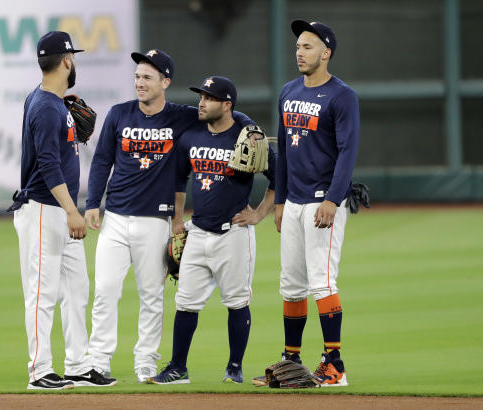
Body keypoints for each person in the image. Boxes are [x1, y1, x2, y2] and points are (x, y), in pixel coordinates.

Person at [85, 50, 256, 383]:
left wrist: (251, 128)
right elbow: (102, 160)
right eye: (136, 76)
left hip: (155, 220)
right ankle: (98, 360)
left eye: (147, 77)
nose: (139, 83)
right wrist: (93, 201)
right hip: (116, 218)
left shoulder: (183, 117)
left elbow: (227, 113)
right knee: (105, 289)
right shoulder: (120, 114)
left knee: (152, 294)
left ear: (165, 82)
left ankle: (146, 361)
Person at [147, 76, 276, 385]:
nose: (201, 102)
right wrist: (178, 221)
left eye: (209, 98)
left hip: (234, 233)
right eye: (201, 96)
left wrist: (259, 214)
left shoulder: (247, 137)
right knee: (185, 303)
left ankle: (234, 366)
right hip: (198, 231)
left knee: (236, 301)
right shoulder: (191, 136)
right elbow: (179, 179)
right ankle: (178, 367)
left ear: (227, 104)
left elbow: (278, 177)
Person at [10, 31, 116, 390]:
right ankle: (39, 371)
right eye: (75, 57)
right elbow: (49, 165)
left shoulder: (53, 103)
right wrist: (73, 210)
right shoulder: (45, 106)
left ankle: (78, 364)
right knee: (42, 293)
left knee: (76, 289)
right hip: (44, 209)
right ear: (67, 60)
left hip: (59, 210)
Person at [273, 20, 359, 387]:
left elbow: (347, 151)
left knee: (322, 282)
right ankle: (291, 361)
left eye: (307, 46)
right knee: (291, 285)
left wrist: (334, 199)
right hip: (293, 203)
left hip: (323, 202)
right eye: (297, 46)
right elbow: (282, 152)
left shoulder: (342, 95)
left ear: (326, 52)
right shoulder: (288, 91)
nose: (299, 52)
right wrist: (279, 202)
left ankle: (334, 364)